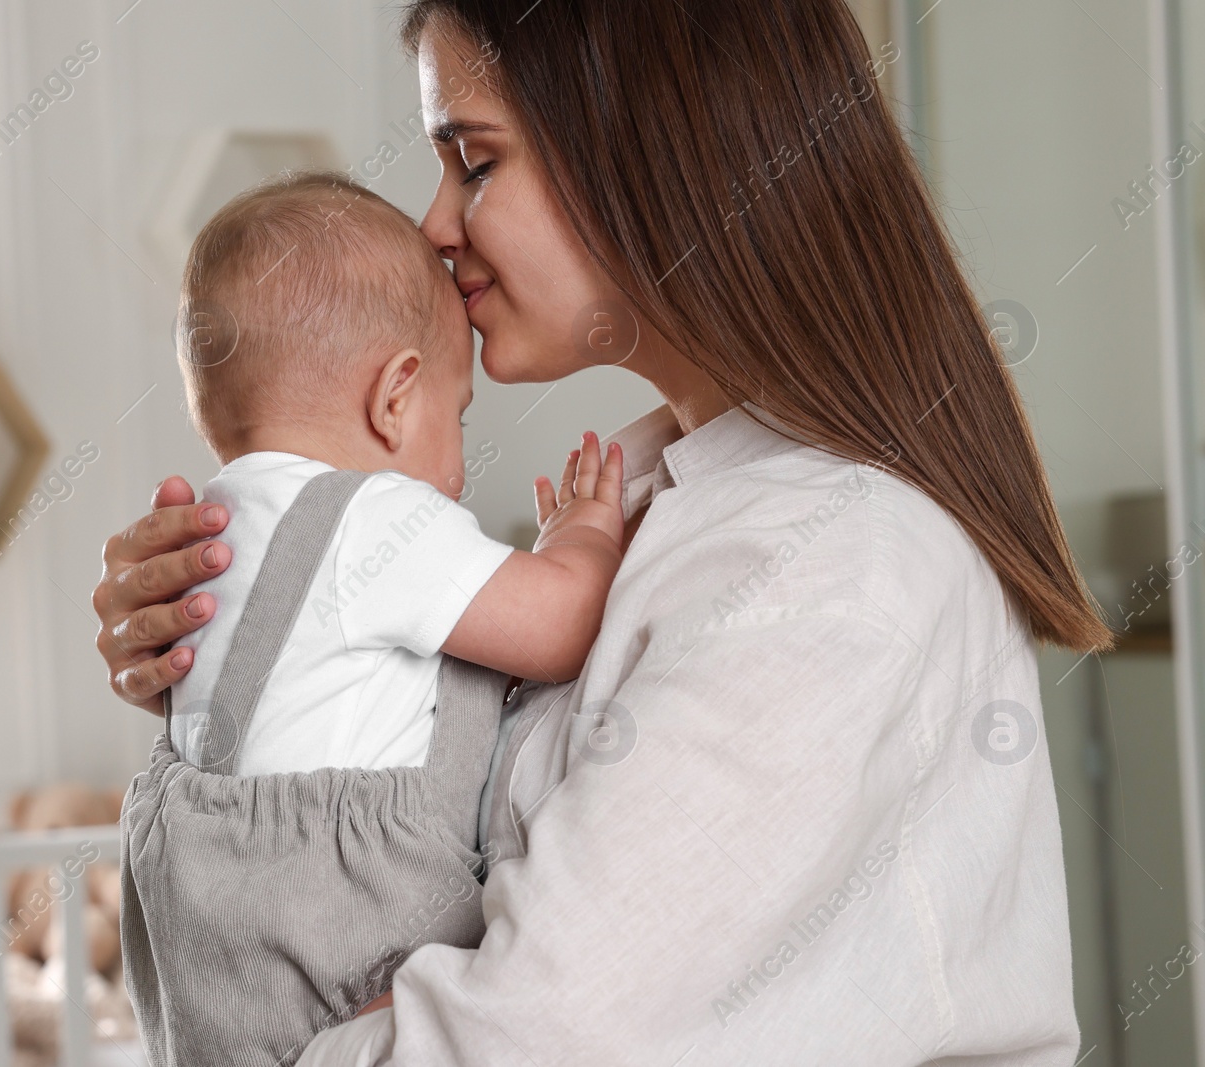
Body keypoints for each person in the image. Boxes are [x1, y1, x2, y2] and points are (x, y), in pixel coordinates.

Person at [92, 1, 1111, 1062]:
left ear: (644, 144)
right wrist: (225, 637)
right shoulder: (657, 510)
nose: (437, 225)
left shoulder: (831, 569)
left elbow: (535, 1037)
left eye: (474, 161)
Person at [117, 172, 626, 1066]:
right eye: (458, 418)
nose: (461, 473)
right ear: (395, 397)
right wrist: (578, 535)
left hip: (206, 972)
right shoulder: (377, 517)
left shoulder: (210, 528)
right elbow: (562, 626)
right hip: (343, 943)